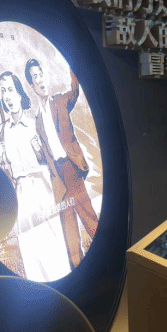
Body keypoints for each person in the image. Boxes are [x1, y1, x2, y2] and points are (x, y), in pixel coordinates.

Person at [0, 71, 71, 282]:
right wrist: (1, 159)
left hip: (41, 188)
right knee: (30, 248)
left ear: (20, 93)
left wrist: (40, 152)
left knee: (51, 243)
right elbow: (5, 167)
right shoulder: (2, 130)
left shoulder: (34, 123)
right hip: (20, 195)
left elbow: (50, 158)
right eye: (4, 91)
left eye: (11, 90)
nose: (8, 96)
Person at [25, 59, 99, 270]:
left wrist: (74, 64)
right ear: (31, 85)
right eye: (35, 77)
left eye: (41, 74)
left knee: (88, 217)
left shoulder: (60, 100)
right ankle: (77, 267)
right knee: (69, 230)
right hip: (57, 178)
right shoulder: (37, 121)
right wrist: (37, 150)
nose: (40, 80)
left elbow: (74, 91)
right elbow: (44, 159)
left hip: (71, 168)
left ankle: (107, 254)